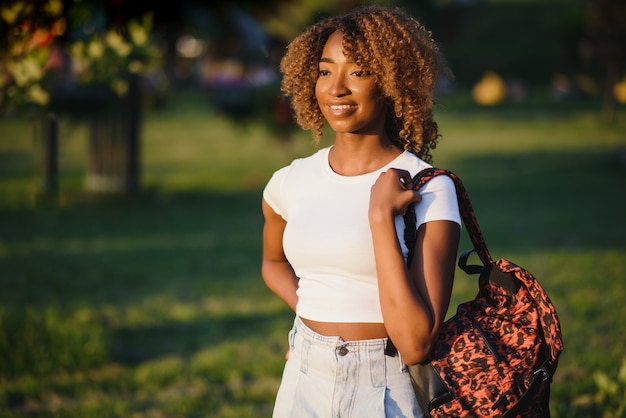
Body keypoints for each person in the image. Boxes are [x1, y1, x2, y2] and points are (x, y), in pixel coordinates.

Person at [261, 5, 461, 417]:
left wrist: (380, 218)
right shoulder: (289, 181)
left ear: (391, 82)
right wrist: (316, 317)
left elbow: (417, 342)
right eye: (324, 70)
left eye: (357, 72)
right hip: (302, 375)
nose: (336, 88)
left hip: (385, 382)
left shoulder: (430, 188)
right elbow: (272, 263)